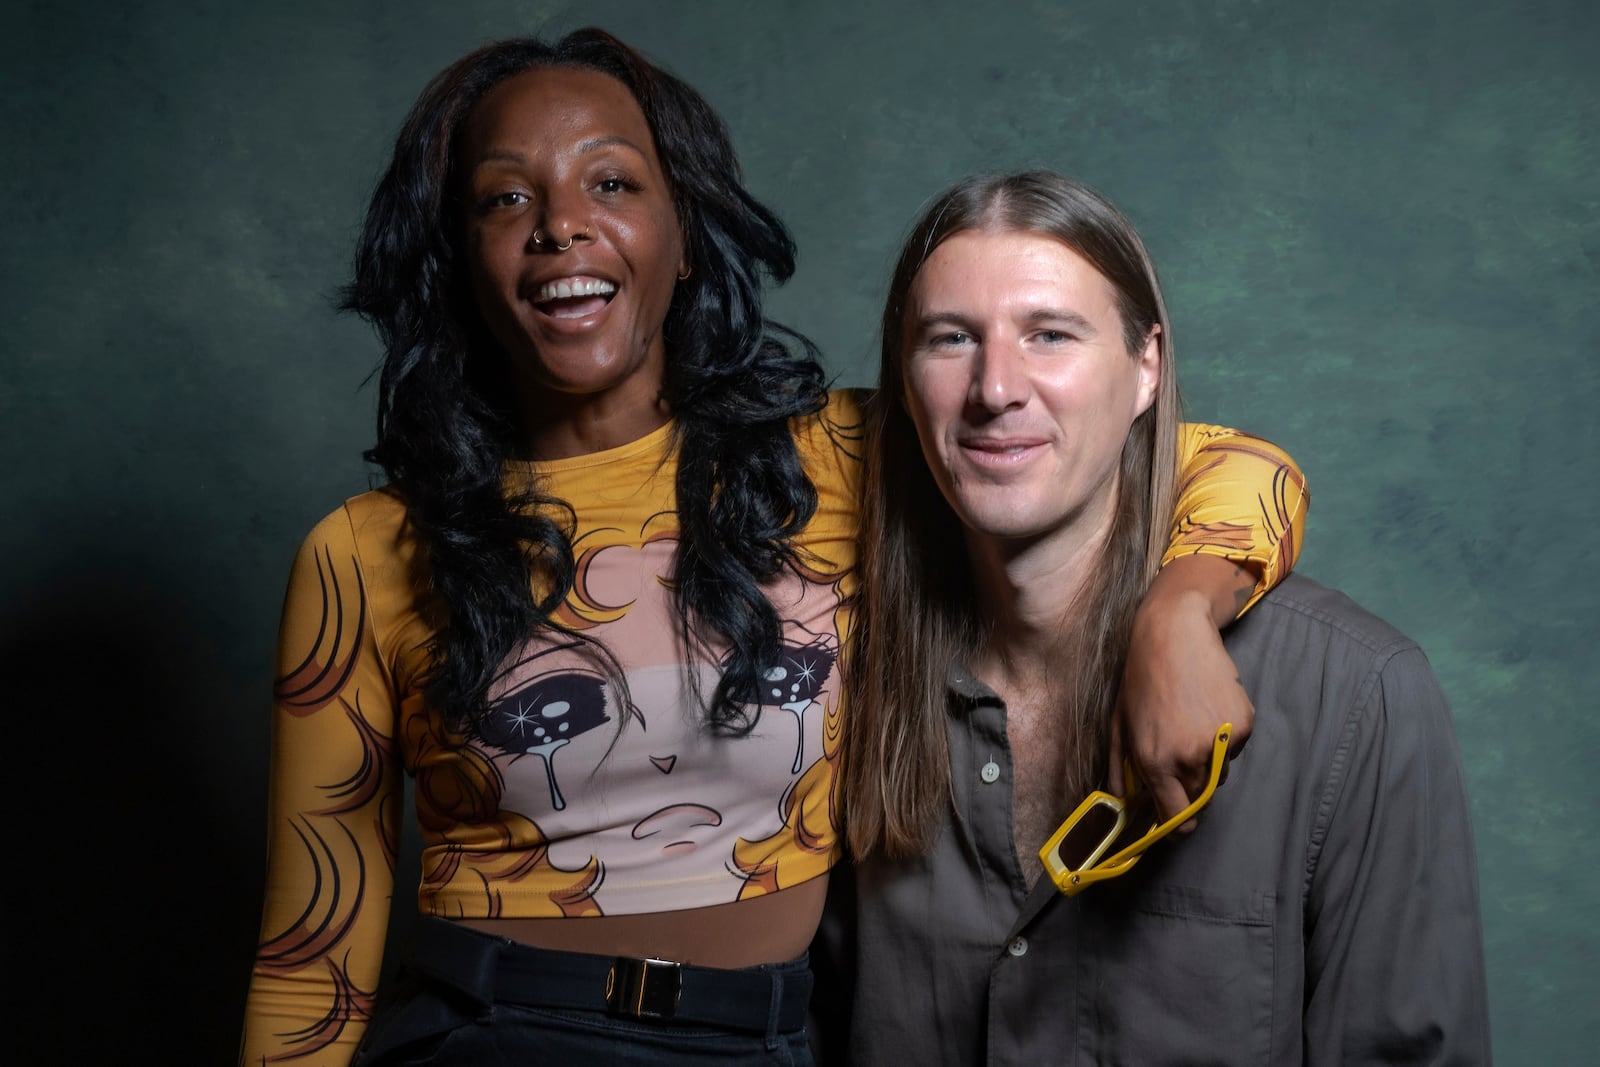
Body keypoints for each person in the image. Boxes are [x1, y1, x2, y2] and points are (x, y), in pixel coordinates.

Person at [238, 31, 1309, 1066]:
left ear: (686, 231)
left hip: (765, 1035)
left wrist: (1177, 610)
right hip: (493, 1028)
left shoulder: (833, 464)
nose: (561, 225)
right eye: (505, 197)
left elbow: (1233, 462)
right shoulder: (365, 554)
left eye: (610, 184)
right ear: (459, 255)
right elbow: (312, 958)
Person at [811, 171, 1489, 1065]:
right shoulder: (827, 668)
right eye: (949, 339)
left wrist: (1177, 608)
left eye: (1050, 334)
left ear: (1146, 367)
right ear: (902, 379)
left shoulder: (1358, 696)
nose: (996, 387)